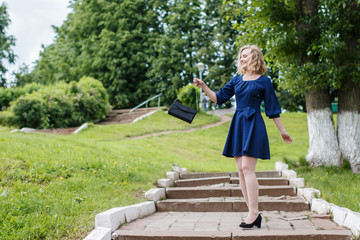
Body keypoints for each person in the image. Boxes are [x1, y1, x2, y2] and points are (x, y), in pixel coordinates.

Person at [193, 45, 292, 229]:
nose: (242, 58)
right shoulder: (236, 80)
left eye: (245, 55)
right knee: (240, 170)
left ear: (254, 57)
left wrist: (282, 130)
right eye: (241, 56)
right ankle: (252, 213)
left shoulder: (265, 81)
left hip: (254, 123)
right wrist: (204, 86)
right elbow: (218, 98)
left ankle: (254, 213)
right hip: (239, 124)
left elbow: (272, 109)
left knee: (247, 168)